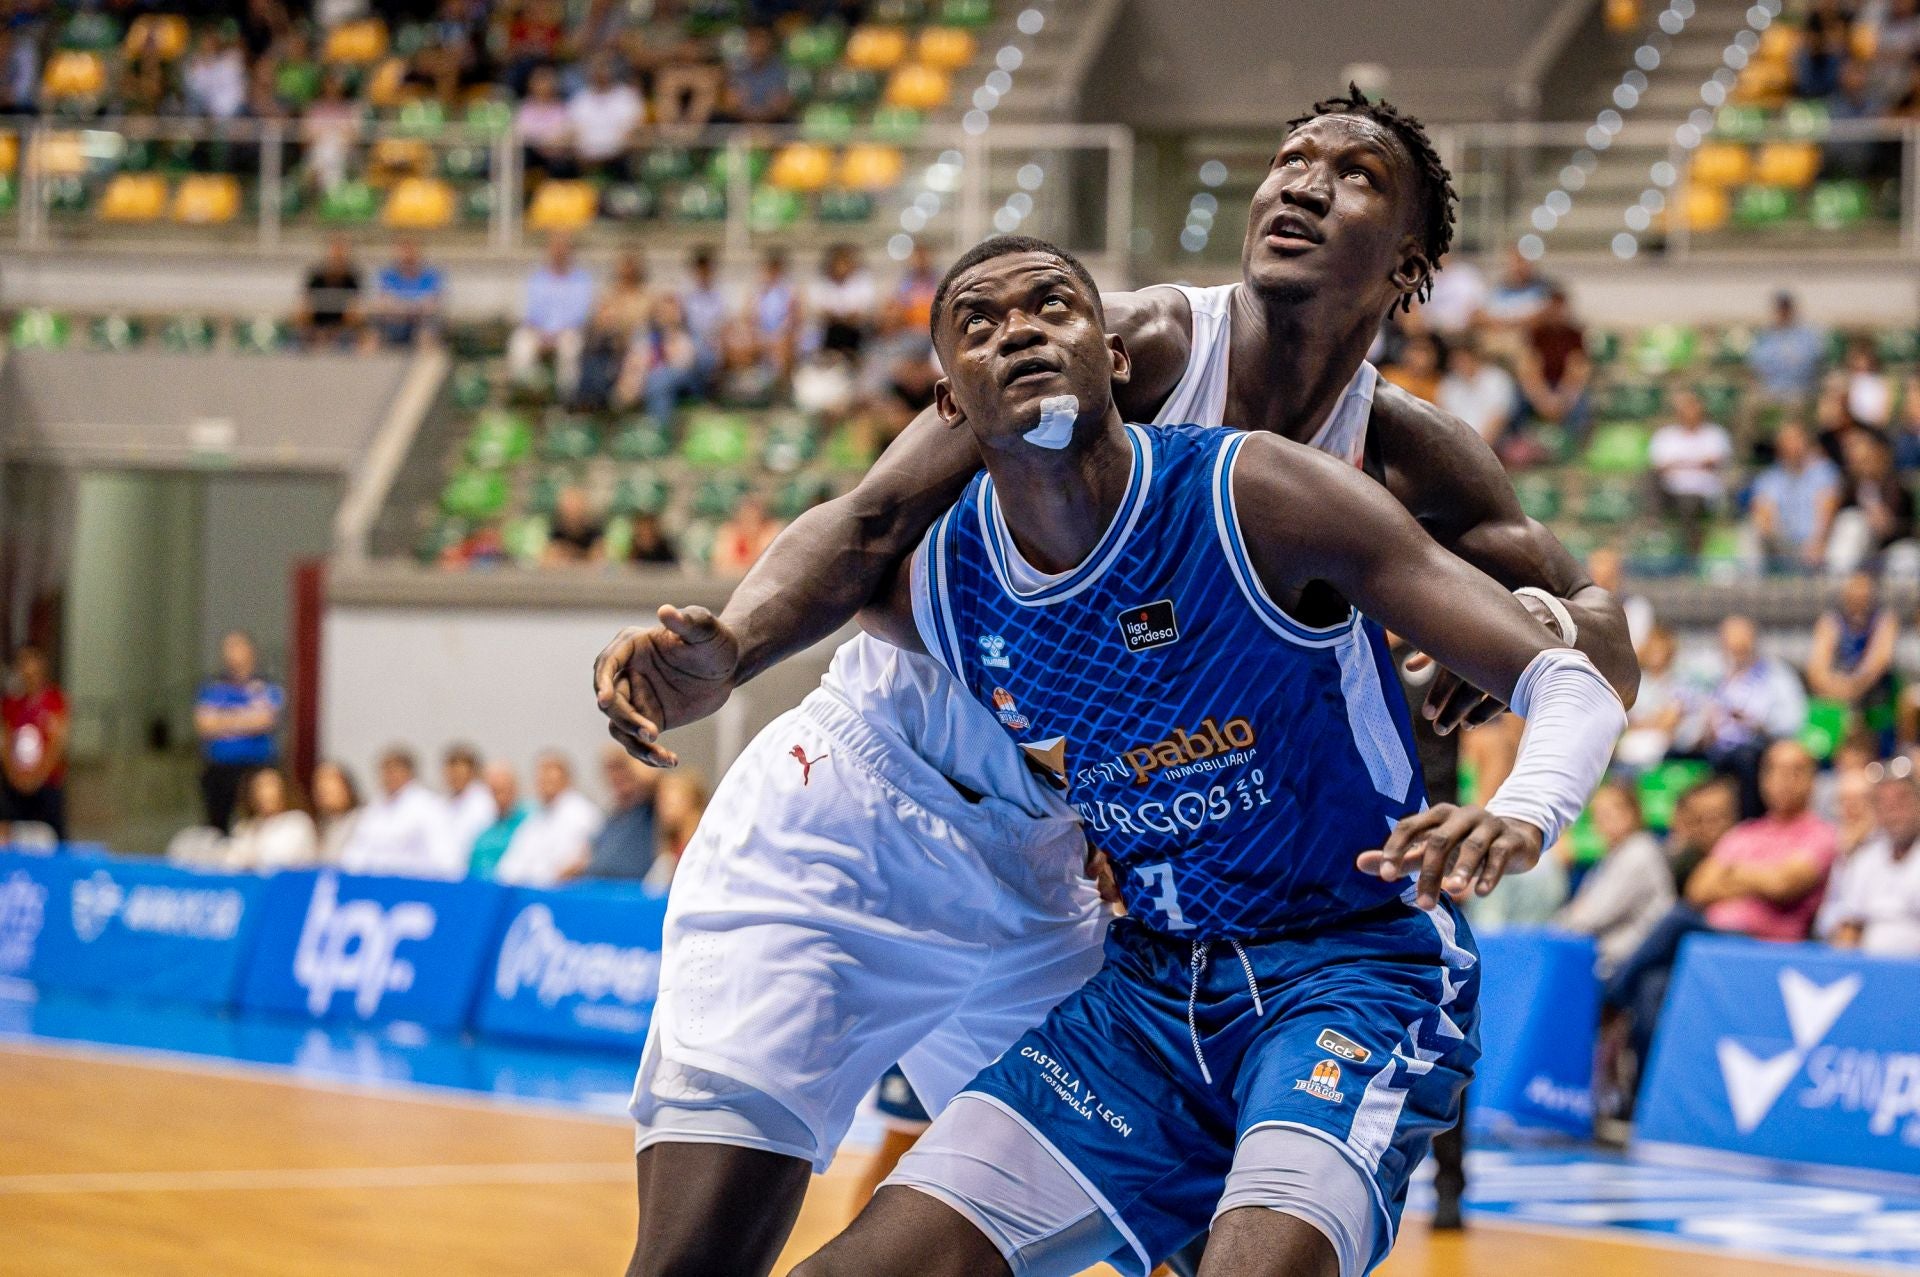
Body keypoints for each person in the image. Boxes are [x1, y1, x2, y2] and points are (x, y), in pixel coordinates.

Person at [595, 91, 1638, 1277]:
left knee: (1231, 1243)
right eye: (1285, 158)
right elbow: (867, 523)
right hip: (861, 813)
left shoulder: (1380, 460)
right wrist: (727, 645)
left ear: (1410, 264)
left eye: (1348, 175)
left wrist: (1528, 635)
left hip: (1062, 869)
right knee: (700, 1256)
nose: (1298, 182)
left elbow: (1594, 642)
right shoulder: (1106, 350)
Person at [1605, 742, 1836, 1074]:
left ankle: (1609, 998)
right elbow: (1699, 888)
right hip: (1710, 946)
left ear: (1812, 780)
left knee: (1679, 920)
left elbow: (1785, 885)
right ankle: (1650, 1097)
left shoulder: (1821, 835)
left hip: (1764, 949)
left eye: (1794, 771)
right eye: (1774, 770)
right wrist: (1759, 878)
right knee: (1652, 984)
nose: (1783, 780)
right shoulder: (1745, 832)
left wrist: (1733, 874)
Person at [1553, 782, 1674, 976]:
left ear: (1632, 812)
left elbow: (1596, 915)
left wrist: (1554, 928)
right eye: (1598, 815)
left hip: (1633, 960)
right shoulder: (1611, 856)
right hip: (1606, 956)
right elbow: (1582, 909)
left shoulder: (1640, 851)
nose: (1603, 821)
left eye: (1610, 813)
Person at [1699, 615, 1808, 818]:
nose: (1735, 654)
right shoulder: (1712, 677)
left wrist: (1757, 723)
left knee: (1745, 759)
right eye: (1729, 648)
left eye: (1740, 647)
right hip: (1714, 749)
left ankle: (1748, 823)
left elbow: (1794, 720)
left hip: (1758, 747)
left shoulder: (1777, 675)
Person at [194, 631, 285, 835]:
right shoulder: (213, 687)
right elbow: (204, 725)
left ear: (251, 651)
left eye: (237, 647)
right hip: (221, 768)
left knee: (258, 821)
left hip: (256, 766)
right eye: (228, 647)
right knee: (217, 826)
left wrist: (222, 719)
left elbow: (265, 720)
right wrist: (245, 718)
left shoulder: (265, 686)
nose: (231, 653)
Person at [1824, 770, 1920, 955]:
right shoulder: (1864, 859)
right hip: (1869, 968)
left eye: (1902, 802)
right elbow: (1847, 918)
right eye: (1886, 805)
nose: (1894, 812)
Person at [1806, 571, 1899, 752]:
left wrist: (1854, 687)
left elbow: (1878, 662)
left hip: (1872, 694)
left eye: (1864, 595)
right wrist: (1836, 688)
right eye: (1854, 594)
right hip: (1836, 693)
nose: (1859, 599)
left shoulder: (1884, 620)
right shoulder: (1830, 621)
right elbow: (1817, 667)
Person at [338, 747, 463, 879]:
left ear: (409, 772)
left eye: (395, 771)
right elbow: (357, 850)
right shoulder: (373, 809)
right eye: (386, 771)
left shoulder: (428, 807)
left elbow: (444, 858)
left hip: (413, 885)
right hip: (374, 885)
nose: (390, 776)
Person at [507, 234, 596, 401]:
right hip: (538, 331)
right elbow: (528, 313)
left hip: (568, 332)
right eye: (555, 248)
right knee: (519, 344)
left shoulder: (581, 280)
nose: (559, 252)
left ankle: (566, 398)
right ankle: (528, 393)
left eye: (563, 248)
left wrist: (555, 336)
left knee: (569, 348)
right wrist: (541, 334)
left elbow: (581, 316)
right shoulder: (537, 278)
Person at [495, 751, 603, 886]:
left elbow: (572, 865)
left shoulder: (583, 814)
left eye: (550, 774)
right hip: (528, 891)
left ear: (566, 778)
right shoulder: (535, 818)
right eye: (541, 775)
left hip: (561, 894)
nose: (544, 780)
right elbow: (510, 864)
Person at [1648, 388, 1732, 559]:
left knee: (1688, 503)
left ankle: (1691, 554)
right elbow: (1659, 466)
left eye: (1692, 406)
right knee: (1648, 480)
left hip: (1701, 493)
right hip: (1670, 490)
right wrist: (1696, 462)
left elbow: (1714, 462)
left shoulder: (1715, 434)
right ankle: (1653, 528)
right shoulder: (1665, 435)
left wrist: (1678, 463)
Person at [1748, 421, 1842, 572]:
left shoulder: (1824, 471)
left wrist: (1818, 541)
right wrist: (1773, 533)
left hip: (1819, 542)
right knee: (1750, 530)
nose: (1793, 446)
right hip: (1783, 545)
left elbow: (1827, 507)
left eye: (1796, 439)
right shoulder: (1768, 478)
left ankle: (1836, 583)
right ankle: (1751, 587)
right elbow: (1763, 512)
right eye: (1787, 441)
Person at [2, 646, 69, 842]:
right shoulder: (11, 704)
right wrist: (16, 778)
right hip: (15, 785)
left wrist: (36, 778)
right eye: (22, 663)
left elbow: (57, 745)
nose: (27, 668)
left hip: (46, 784)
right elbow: (5, 744)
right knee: (9, 835)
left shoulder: (55, 701)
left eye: (31, 661)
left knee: (54, 838)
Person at [1829, 429, 1915, 574]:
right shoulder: (1848, 488)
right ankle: (1837, 583)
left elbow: (1906, 528)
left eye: (1867, 459)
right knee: (1852, 522)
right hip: (1858, 552)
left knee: (1908, 555)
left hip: (1889, 551)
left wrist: (1888, 525)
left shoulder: (1897, 487)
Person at [1516, 287, 1591, 441]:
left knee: (1582, 406)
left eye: (1560, 308)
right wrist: (1542, 398)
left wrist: (1563, 398)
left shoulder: (1575, 335)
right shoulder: (1536, 334)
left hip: (1564, 387)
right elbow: (1529, 368)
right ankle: (1520, 443)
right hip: (1541, 386)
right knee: (1517, 403)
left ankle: (1573, 443)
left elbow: (1577, 368)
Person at [223, 766, 318, 872]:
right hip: (255, 885)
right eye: (260, 787)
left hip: (290, 885)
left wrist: (250, 858)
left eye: (270, 786)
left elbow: (281, 860)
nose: (265, 794)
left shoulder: (298, 822)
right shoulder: (247, 827)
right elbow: (231, 861)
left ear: (283, 790)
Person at [584, 745, 658, 881]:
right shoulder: (611, 817)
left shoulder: (649, 808)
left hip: (633, 893)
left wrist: (632, 753)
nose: (617, 776)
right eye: (610, 771)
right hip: (601, 891)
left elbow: (654, 779)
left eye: (621, 768)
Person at [568, 55, 644, 177]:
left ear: (612, 70)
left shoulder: (628, 96)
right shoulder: (579, 99)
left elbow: (634, 130)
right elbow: (573, 131)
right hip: (585, 158)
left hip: (619, 156)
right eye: (596, 68)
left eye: (603, 67)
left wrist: (612, 150)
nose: (599, 72)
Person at [1437, 335, 1516, 447]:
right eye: (1455, 358)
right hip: (1457, 445)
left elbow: (1498, 421)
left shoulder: (1498, 379)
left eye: (1463, 357)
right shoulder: (1448, 384)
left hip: (1493, 446)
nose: (1458, 362)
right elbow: (1445, 422)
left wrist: (1475, 450)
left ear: (1475, 356)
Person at [1748, 292, 1825, 404]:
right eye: (1780, 309)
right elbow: (1756, 363)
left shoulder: (1807, 335)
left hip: (1801, 390)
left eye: (1786, 309)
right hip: (1770, 391)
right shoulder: (1765, 335)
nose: (1783, 313)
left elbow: (1813, 360)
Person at [370, 238, 445, 348]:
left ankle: (425, 360)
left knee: (430, 325)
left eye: (411, 251)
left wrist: (404, 307)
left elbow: (432, 304)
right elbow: (382, 303)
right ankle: (369, 360)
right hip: (393, 320)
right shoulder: (387, 275)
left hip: (420, 321)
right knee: (373, 322)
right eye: (404, 251)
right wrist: (409, 308)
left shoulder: (431, 275)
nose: (408, 255)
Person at [812, 244, 878, 358]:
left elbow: (860, 314)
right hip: (828, 332)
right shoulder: (821, 283)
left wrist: (842, 318)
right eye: (839, 263)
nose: (841, 267)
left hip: (855, 331)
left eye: (845, 263)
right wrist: (838, 318)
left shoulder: (862, 282)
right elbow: (822, 313)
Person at [300, 235, 364, 349]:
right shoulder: (316, 277)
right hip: (317, 323)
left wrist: (335, 331)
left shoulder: (352, 278)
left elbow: (356, 307)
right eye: (335, 252)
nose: (337, 256)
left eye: (341, 252)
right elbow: (306, 303)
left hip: (343, 327)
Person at [468, 761, 527, 880]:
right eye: (494, 791)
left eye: (503, 790)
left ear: (514, 789)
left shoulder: (529, 822)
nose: (499, 796)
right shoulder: (483, 825)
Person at [720, 25, 790, 123]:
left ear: (769, 45)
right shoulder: (735, 67)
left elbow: (780, 105)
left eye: (762, 42)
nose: (758, 47)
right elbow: (729, 104)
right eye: (754, 42)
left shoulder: (780, 68)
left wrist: (760, 118)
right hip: (739, 122)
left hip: (772, 123)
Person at [517, 65, 576, 180]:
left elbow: (566, 134)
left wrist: (544, 141)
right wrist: (541, 140)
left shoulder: (562, 108)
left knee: (563, 167)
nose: (544, 85)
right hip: (531, 154)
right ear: (531, 84)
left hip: (554, 155)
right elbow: (520, 133)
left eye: (547, 81)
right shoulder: (523, 108)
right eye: (540, 81)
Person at [442, 743, 495, 861]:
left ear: (472, 772)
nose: (454, 776)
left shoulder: (484, 803)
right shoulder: (442, 804)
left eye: (460, 772)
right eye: (451, 771)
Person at [709, 495, 784, 576]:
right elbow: (718, 567)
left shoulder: (771, 533)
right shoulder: (728, 533)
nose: (750, 522)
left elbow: (772, 566)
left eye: (754, 518)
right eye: (746, 517)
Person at [311, 760, 362, 866]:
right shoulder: (321, 827)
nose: (323, 787)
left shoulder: (365, 821)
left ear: (347, 786)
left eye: (330, 780)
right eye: (318, 783)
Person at [545, 486, 606, 565]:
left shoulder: (594, 532)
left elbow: (599, 559)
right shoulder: (556, 532)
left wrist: (569, 552)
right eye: (568, 507)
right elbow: (548, 560)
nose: (572, 512)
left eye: (575, 506)